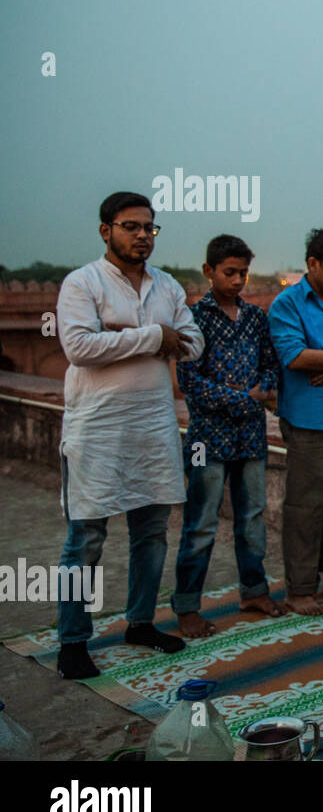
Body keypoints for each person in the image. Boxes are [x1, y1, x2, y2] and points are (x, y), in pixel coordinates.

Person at [54, 192, 205, 679]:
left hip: (152, 426)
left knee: (152, 533)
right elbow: (79, 346)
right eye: (131, 226)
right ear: (106, 230)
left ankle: (139, 623)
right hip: (97, 428)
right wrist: (152, 338)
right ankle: (73, 640)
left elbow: (194, 343)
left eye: (149, 227)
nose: (142, 235)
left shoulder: (167, 286)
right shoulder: (83, 282)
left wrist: (129, 336)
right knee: (87, 538)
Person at [173, 235, 282, 637]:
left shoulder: (255, 318)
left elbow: (271, 367)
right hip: (206, 438)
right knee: (201, 523)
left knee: (252, 519)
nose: (237, 280)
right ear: (209, 272)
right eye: (229, 272)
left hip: (250, 437)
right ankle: (187, 607)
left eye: (242, 273)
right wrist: (247, 399)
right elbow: (190, 382)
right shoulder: (193, 320)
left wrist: (259, 392)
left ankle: (253, 590)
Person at [267, 227, 323, 615]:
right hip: (309, 420)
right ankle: (299, 588)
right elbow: (294, 356)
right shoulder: (287, 304)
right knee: (306, 507)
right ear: (312, 264)